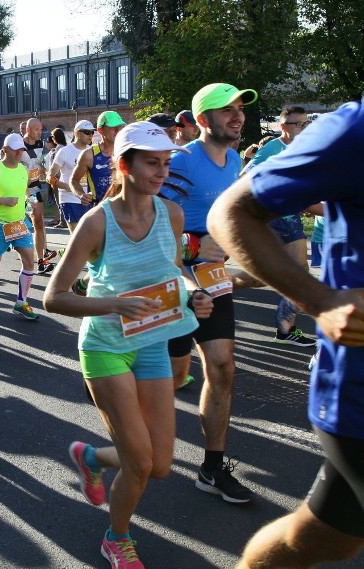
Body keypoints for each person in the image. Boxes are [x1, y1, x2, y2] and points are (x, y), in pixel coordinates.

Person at [43, 122, 212, 569]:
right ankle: (116, 538)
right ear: (124, 165)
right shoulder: (95, 222)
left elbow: (171, 273)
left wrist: (192, 295)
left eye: (165, 163)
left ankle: (93, 458)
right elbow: (53, 297)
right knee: (139, 463)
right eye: (151, 163)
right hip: (104, 348)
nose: (161, 171)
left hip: (153, 342)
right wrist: (114, 304)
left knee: (159, 465)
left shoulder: (172, 214)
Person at [207, 98, 364, 569]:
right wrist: (321, 302)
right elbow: (229, 213)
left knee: (324, 539)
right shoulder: (352, 130)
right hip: (360, 393)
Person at [160, 82, 259, 503]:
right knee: (175, 375)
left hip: (213, 280)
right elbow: (151, 224)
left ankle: (212, 468)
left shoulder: (234, 157)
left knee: (222, 368)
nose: (237, 116)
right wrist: (196, 247)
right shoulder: (181, 162)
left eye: (239, 108)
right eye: (226, 110)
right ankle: (123, 426)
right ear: (203, 120)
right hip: (173, 281)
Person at [243, 106, 317, 347]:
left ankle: (286, 329)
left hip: (290, 215)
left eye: (306, 123)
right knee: (265, 274)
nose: (304, 128)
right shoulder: (273, 148)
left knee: (297, 271)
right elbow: (245, 177)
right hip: (272, 216)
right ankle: (212, 293)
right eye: (299, 124)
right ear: (283, 127)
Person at [0, 133, 41, 321]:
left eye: (22, 149)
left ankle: (21, 302)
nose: (21, 153)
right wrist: (4, 201)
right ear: (5, 150)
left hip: (19, 223)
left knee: (29, 260)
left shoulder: (22, 169)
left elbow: (24, 189)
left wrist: (31, 199)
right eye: (17, 150)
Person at [17, 117, 56, 274]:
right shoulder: (18, 146)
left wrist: (43, 170)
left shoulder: (40, 144)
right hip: (19, 189)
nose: (40, 133)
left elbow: (38, 162)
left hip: (33, 188)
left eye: (41, 129)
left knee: (38, 221)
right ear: (27, 130)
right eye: (36, 130)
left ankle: (41, 260)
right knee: (18, 223)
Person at [49, 120, 96, 233]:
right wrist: (66, 186)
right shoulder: (65, 151)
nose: (90, 135)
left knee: (89, 236)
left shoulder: (92, 151)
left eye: (92, 133)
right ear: (77, 133)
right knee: (77, 235)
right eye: (87, 132)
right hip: (69, 198)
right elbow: (49, 176)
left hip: (88, 199)